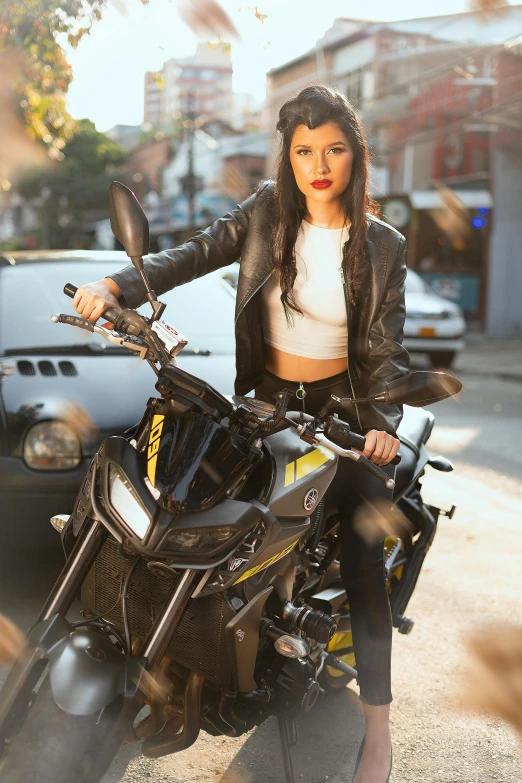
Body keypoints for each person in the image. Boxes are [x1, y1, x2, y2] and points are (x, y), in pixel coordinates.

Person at [73, 84, 408, 783]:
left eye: (335, 148)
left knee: (364, 556)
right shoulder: (264, 211)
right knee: (181, 501)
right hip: (263, 403)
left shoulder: (382, 244)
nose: (320, 163)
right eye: (305, 150)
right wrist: (114, 285)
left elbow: (384, 348)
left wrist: (381, 425)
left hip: (344, 421)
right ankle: (177, 666)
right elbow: (195, 252)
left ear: (355, 154)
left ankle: (377, 734)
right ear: (288, 157)